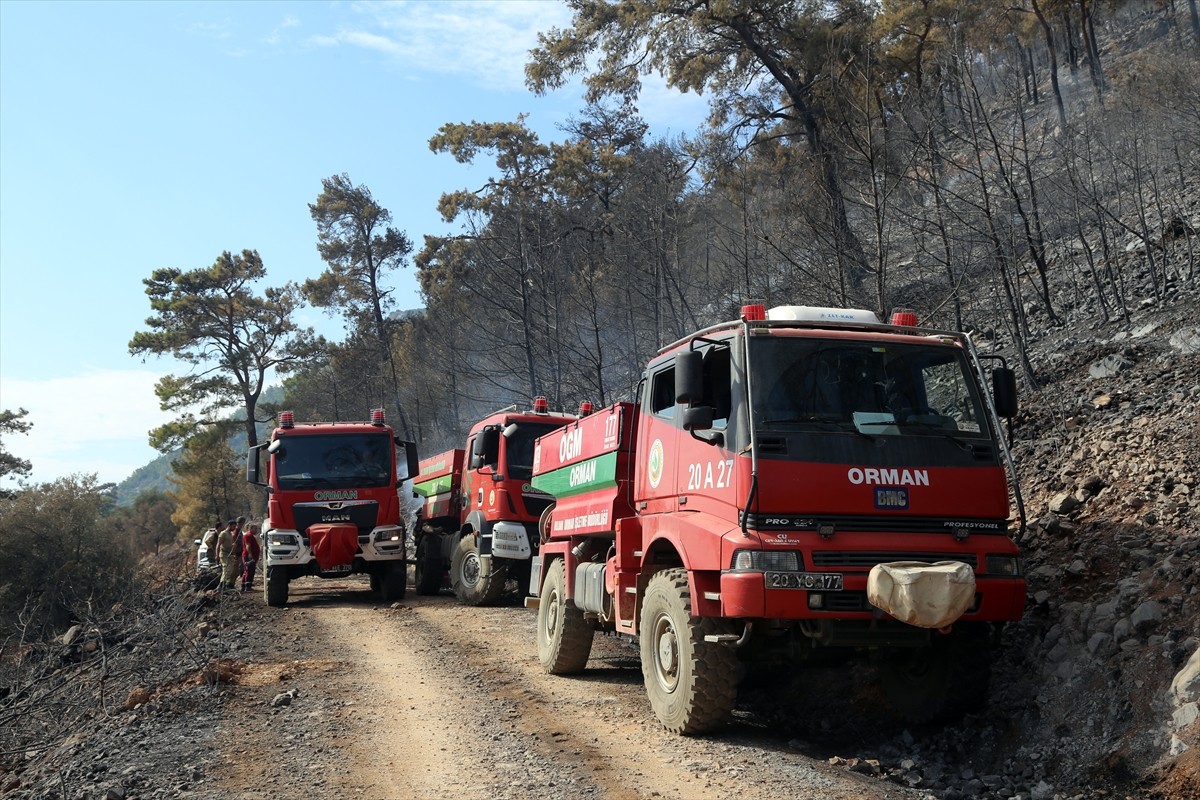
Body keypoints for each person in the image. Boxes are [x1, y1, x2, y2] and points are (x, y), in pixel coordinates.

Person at [215, 519, 240, 591]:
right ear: (229, 526)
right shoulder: (223, 534)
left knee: (232, 570)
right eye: (233, 526)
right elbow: (218, 544)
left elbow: (231, 545)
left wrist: (234, 548)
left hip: (230, 554)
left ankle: (228, 585)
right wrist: (217, 555)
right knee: (226, 569)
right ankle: (221, 585)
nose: (234, 528)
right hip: (224, 554)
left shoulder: (230, 534)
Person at [240, 522, 261, 592]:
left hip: (251, 556)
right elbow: (247, 545)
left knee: (247, 570)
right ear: (251, 528)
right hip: (249, 557)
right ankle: (247, 587)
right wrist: (250, 555)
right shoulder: (248, 535)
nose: (256, 530)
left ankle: (244, 586)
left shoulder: (250, 536)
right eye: (255, 529)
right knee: (249, 571)